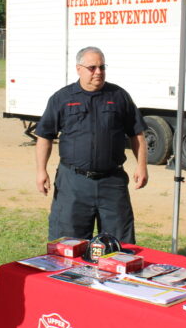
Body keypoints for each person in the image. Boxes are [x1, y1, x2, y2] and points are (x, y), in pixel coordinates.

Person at [34, 46, 148, 243]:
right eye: (92, 67)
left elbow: (136, 133)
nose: (98, 72)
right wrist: (41, 170)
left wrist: (142, 166)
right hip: (73, 183)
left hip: (112, 183)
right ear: (79, 69)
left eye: (102, 67)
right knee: (68, 245)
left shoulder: (119, 96)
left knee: (119, 246)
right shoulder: (62, 98)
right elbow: (44, 135)